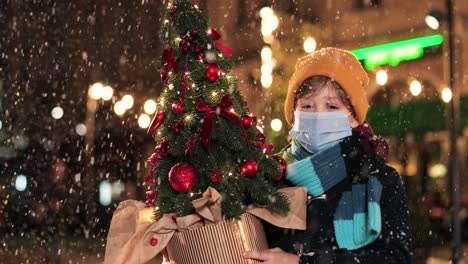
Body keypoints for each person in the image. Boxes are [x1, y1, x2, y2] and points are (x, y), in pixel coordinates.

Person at [242, 47, 413, 263]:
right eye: (307, 105)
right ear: (293, 116)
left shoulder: (379, 179)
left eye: (331, 106)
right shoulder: (269, 178)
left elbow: (396, 259)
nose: (317, 115)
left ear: (354, 118)